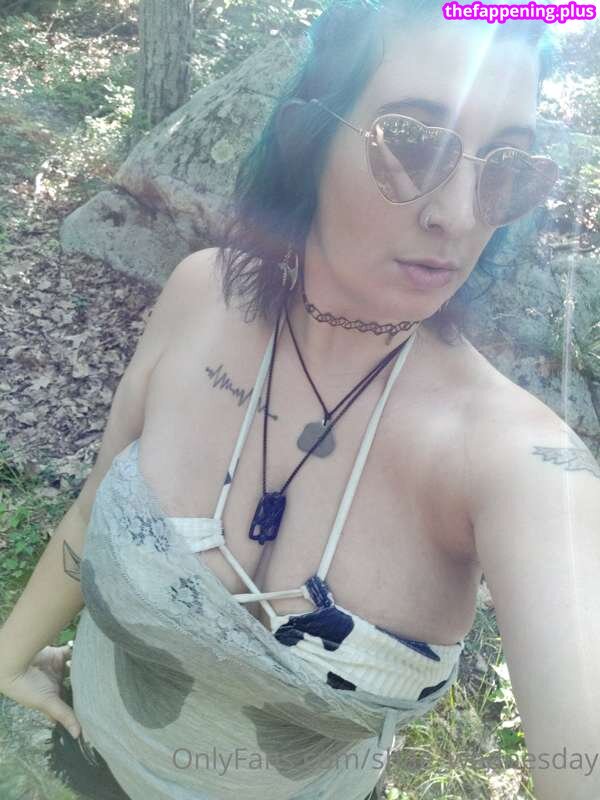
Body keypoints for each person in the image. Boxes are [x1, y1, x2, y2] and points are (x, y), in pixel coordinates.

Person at [1, 2, 598, 799]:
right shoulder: (201, 294)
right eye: (412, 142)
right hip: (88, 761)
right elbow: (92, 508)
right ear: (306, 136)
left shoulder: (516, 461)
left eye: (506, 168)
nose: (457, 215)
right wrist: (11, 654)